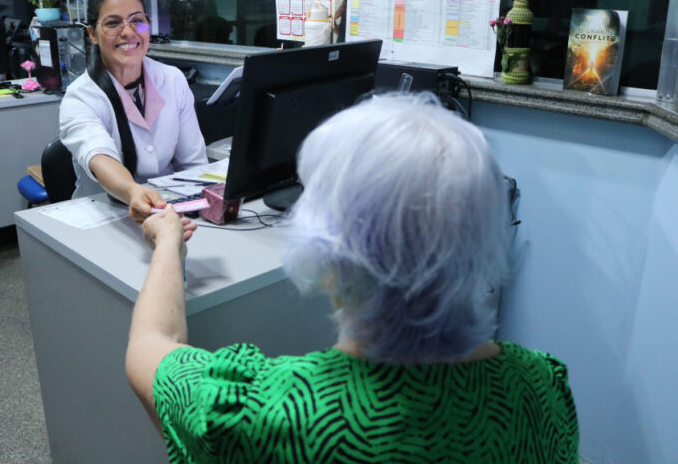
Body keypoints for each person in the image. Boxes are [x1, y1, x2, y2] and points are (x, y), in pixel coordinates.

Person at [126, 94, 580, 462]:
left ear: (328, 254)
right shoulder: (542, 390)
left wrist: (168, 241)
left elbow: (150, 345)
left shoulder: (260, 415)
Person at [60, 0, 207, 222]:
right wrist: (133, 191)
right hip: (105, 215)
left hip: (169, 210)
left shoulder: (172, 79)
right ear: (92, 34)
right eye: (113, 23)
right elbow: (100, 155)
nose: (128, 32)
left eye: (137, 20)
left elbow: (193, 164)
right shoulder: (80, 97)